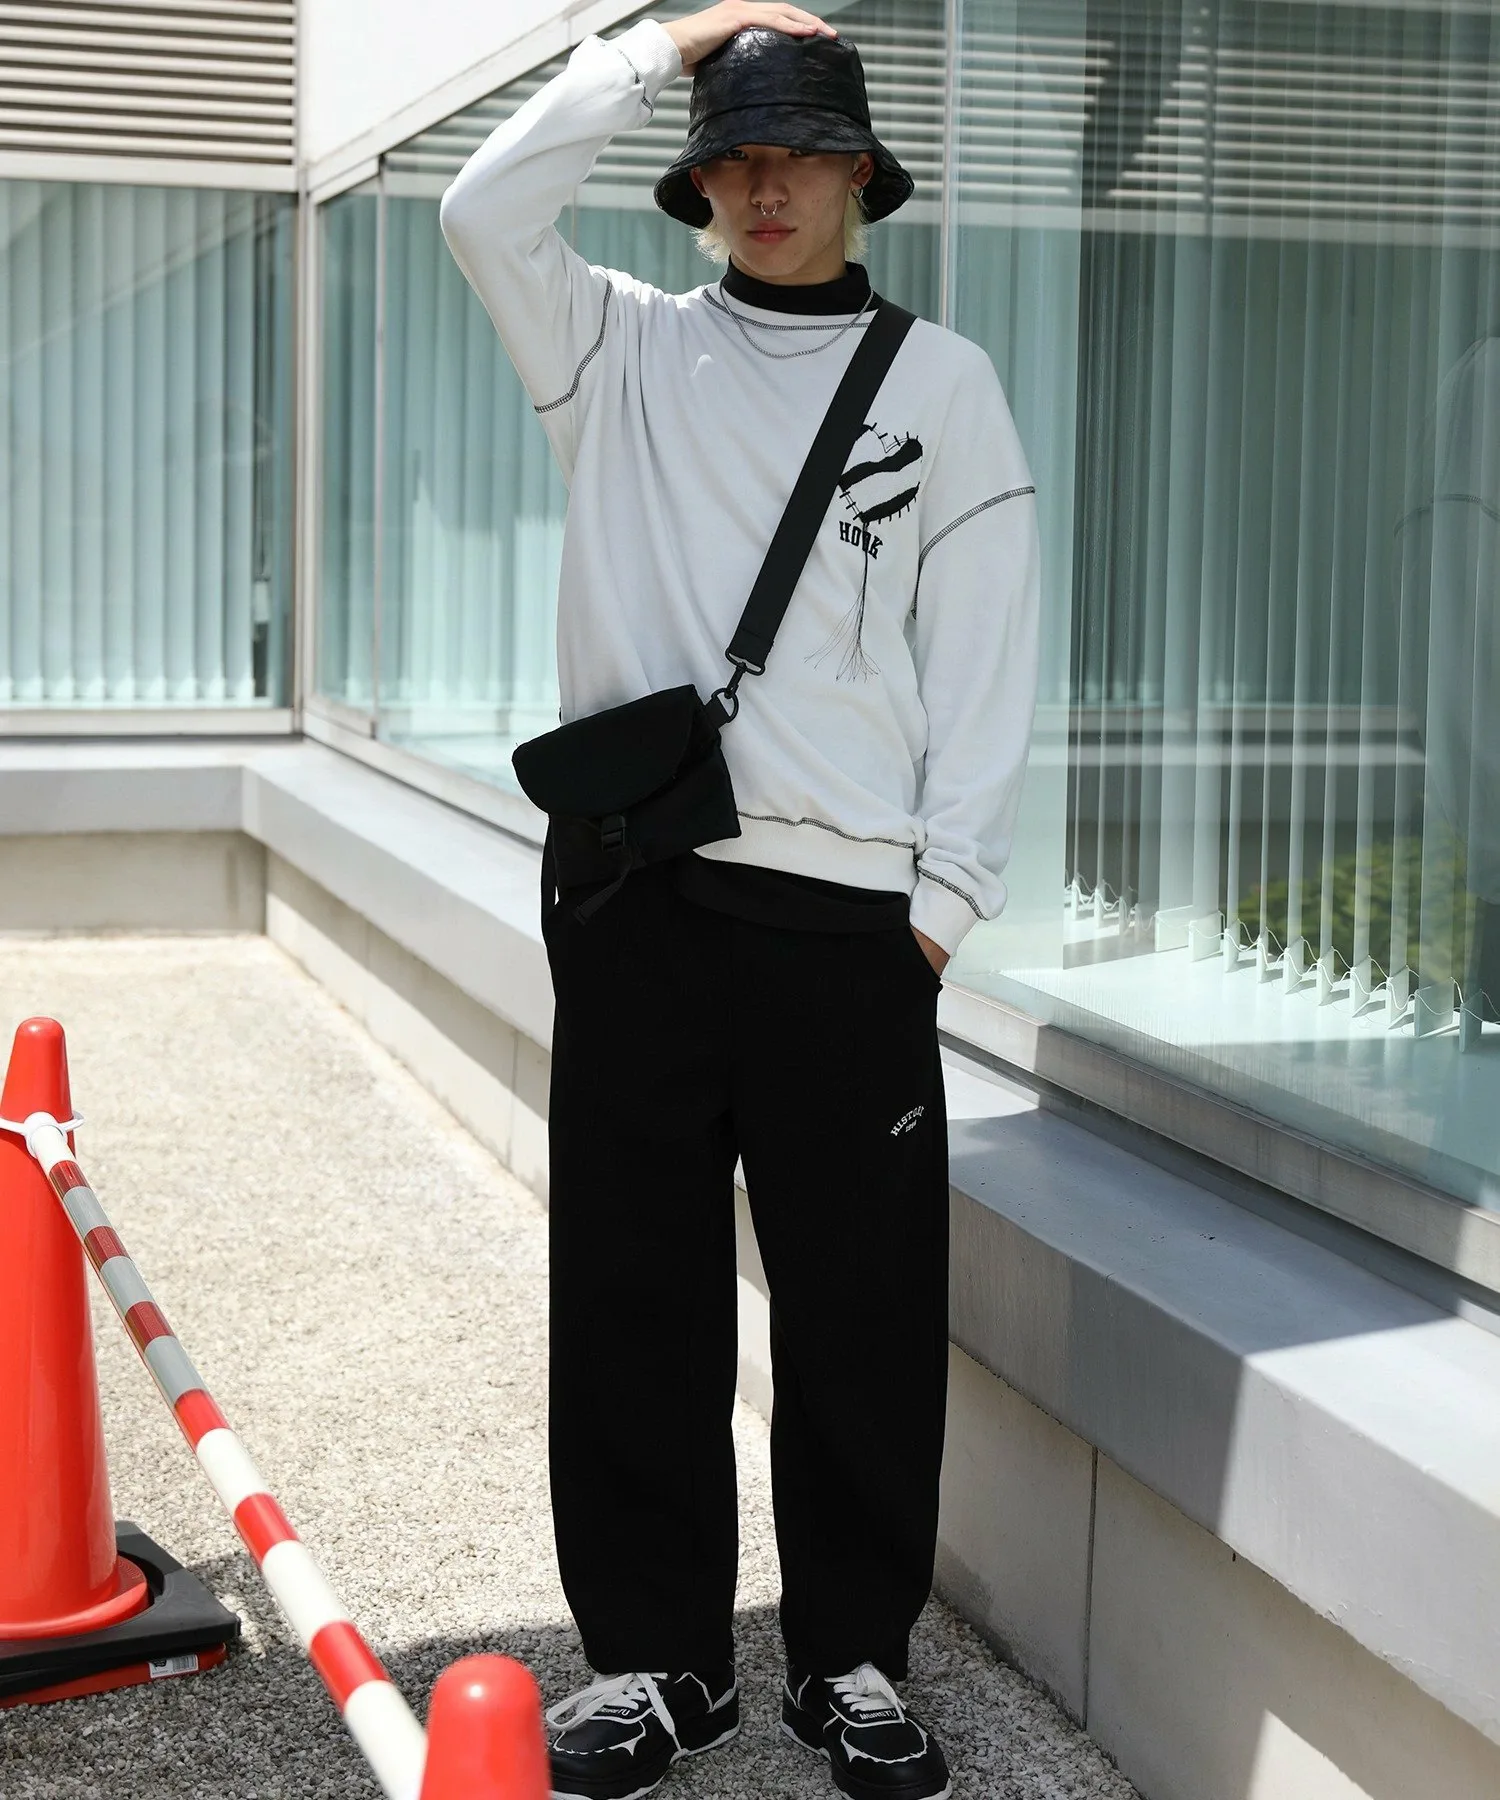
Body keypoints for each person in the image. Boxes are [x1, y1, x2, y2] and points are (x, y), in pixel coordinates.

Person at [440, 6, 1040, 1796]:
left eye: (798, 158)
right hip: (640, 894)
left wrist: (940, 906)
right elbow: (481, 207)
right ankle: (657, 1664)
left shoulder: (943, 385)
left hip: (851, 927)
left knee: (861, 1308)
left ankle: (849, 1657)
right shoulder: (615, 348)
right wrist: (673, 38)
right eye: (733, 160)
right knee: (631, 1291)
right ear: (695, 186)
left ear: (861, 178)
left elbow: (988, 659)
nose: (765, 189)